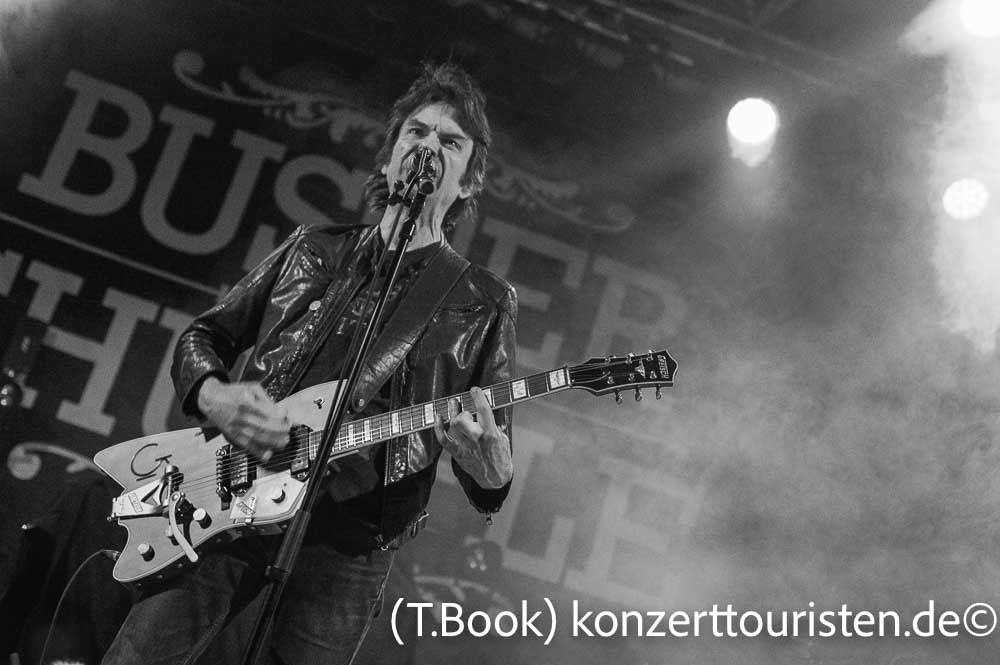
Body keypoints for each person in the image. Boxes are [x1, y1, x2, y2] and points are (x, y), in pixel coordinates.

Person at [101, 62, 516, 665]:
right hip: (232, 498)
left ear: (469, 182)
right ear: (389, 157)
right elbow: (205, 335)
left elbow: (491, 452)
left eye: (451, 142)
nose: (428, 146)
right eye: (417, 131)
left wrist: (493, 476)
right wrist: (217, 396)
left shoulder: (482, 301)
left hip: (351, 544)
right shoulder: (313, 248)